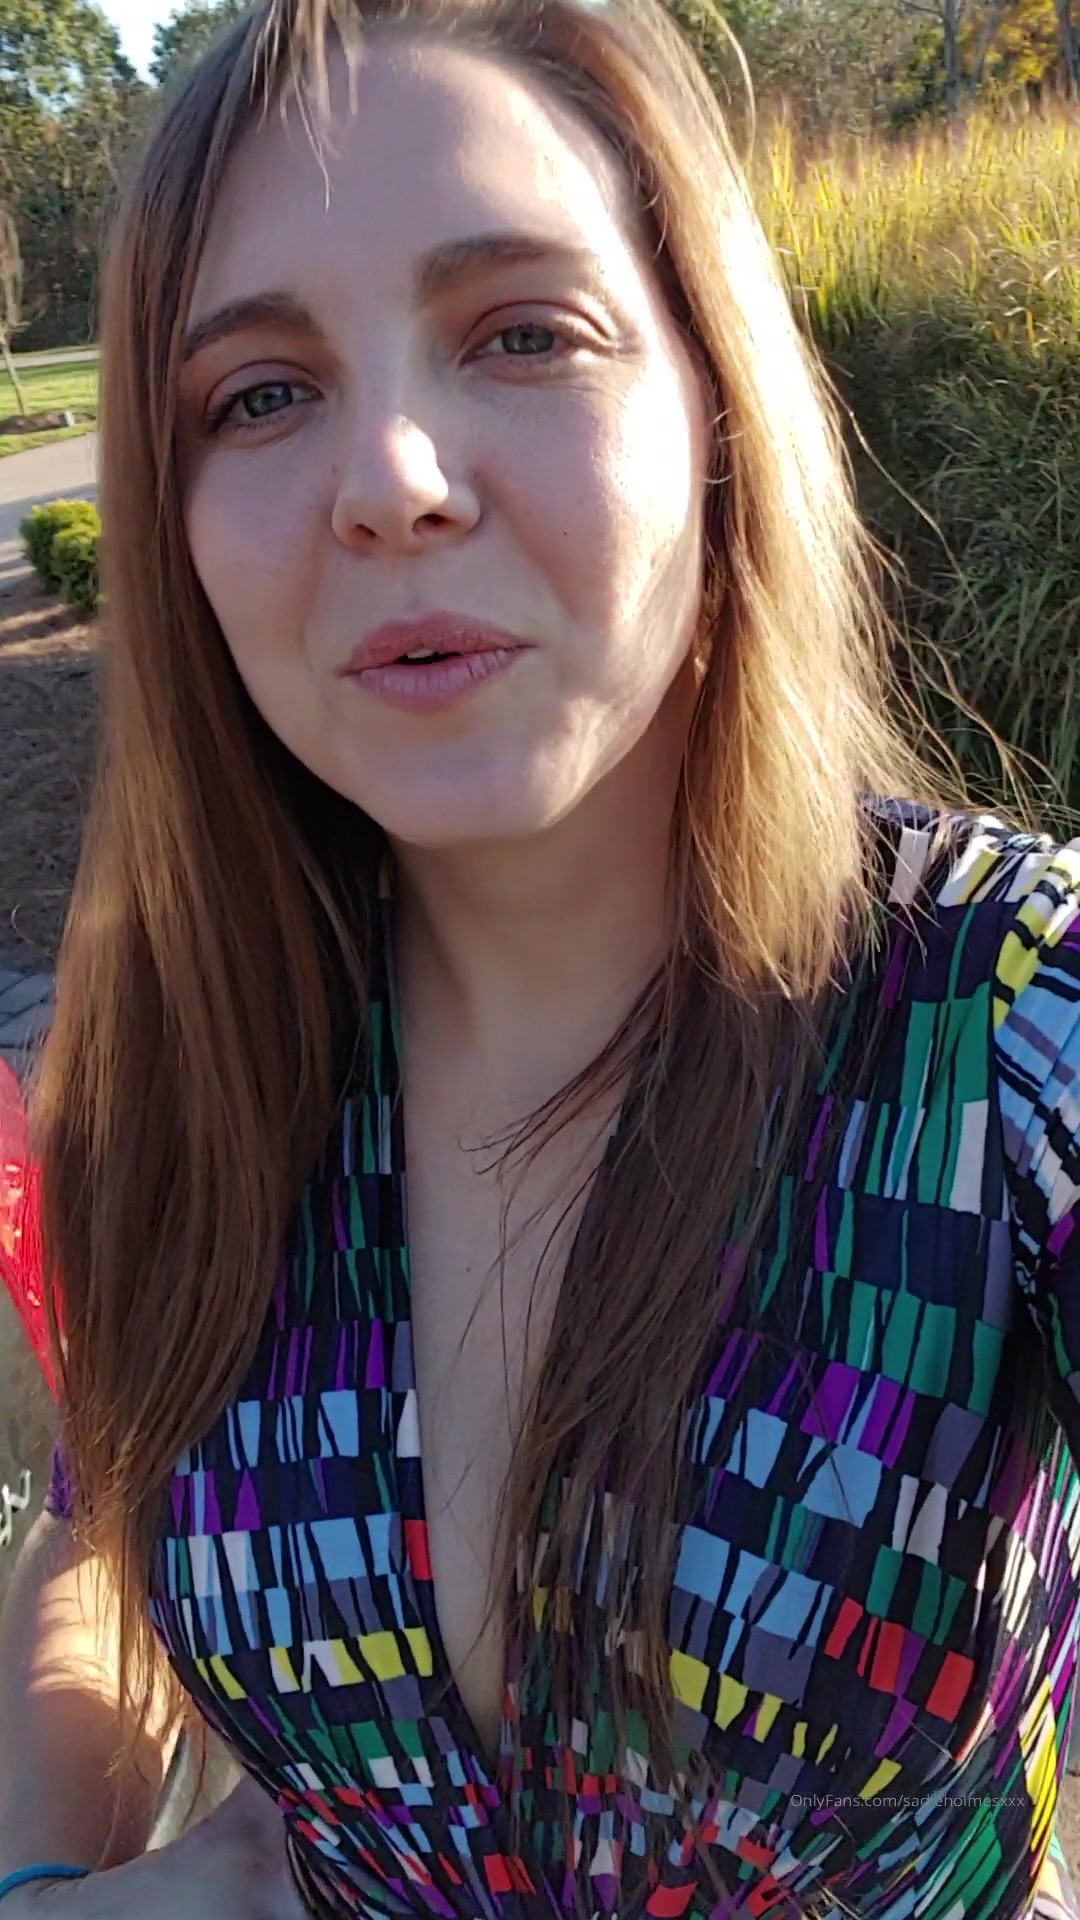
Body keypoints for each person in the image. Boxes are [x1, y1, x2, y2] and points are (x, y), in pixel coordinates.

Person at [1, 0, 1079, 1914]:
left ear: (715, 400)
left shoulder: (1014, 1025)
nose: (392, 477)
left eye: (520, 332)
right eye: (260, 394)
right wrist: (52, 1878)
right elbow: (101, 1518)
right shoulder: (190, 1061)